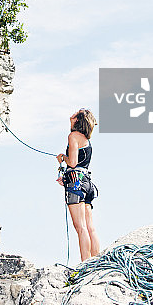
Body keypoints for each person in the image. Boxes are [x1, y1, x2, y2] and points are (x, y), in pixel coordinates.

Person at [57, 109, 100, 262]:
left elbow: (73, 162)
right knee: (90, 227)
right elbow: (81, 164)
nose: (72, 114)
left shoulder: (73, 136)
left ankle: (85, 263)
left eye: (75, 114)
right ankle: (96, 261)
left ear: (78, 120)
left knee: (80, 227)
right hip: (87, 182)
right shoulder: (86, 140)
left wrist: (63, 157)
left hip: (76, 183)